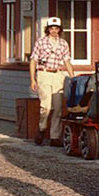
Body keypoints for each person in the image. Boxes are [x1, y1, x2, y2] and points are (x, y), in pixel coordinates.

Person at [29, 17, 75, 146]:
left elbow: (67, 61)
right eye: (51, 28)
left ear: (60, 30)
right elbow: (33, 61)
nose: (54, 31)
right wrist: (32, 79)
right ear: (48, 29)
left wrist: (72, 77)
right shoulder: (41, 42)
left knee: (58, 107)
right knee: (46, 106)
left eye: (56, 28)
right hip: (44, 73)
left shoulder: (63, 43)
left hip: (57, 75)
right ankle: (42, 128)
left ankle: (55, 136)